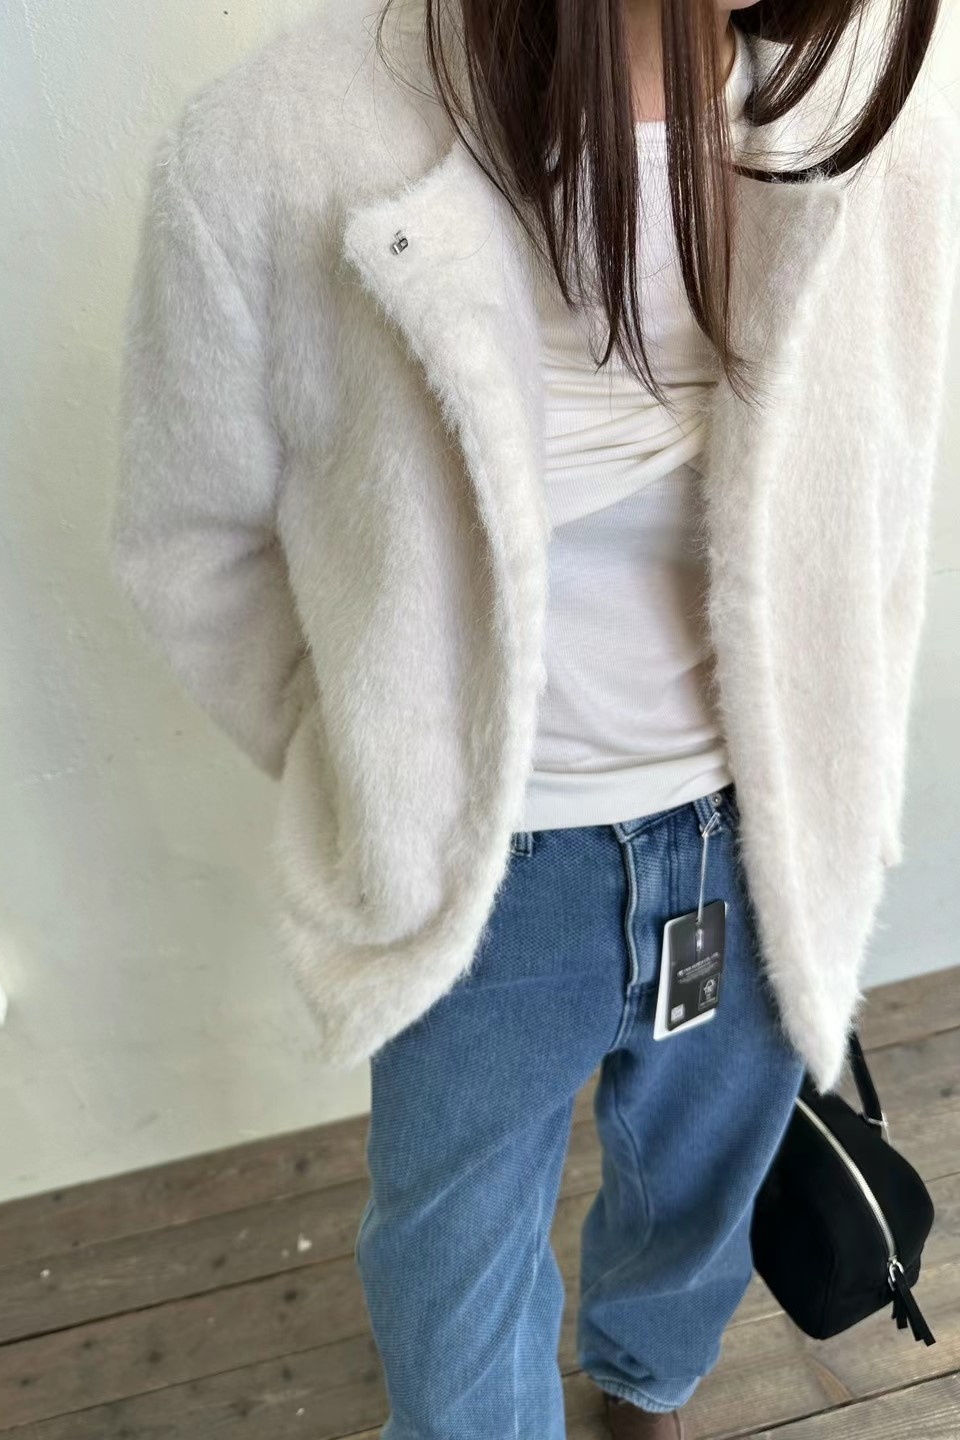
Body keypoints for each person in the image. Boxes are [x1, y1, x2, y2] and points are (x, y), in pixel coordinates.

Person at [108, 0, 960, 1435]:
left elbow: (882, 476)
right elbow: (192, 544)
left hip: (760, 836)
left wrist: (842, 750)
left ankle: (648, 1381)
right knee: (451, 1277)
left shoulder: (870, 103)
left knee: (705, 1191)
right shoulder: (274, 149)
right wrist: (382, 763)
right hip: (489, 873)